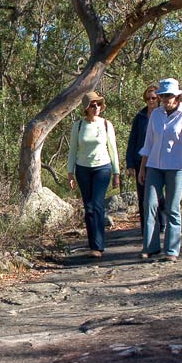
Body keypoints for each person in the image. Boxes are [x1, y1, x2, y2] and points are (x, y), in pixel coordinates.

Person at [138, 78, 182, 262]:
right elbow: (148, 143)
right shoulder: (156, 115)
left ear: (177, 97)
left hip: (176, 167)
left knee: (172, 208)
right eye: (163, 96)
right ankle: (150, 247)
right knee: (149, 205)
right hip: (154, 166)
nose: (165, 99)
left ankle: (172, 250)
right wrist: (142, 168)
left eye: (169, 96)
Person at [67, 91, 121, 258]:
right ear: (86, 108)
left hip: (102, 168)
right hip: (83, 169)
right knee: (88, 207)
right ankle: (93, 244)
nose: (96, 107)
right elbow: (73, 151)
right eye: (92, 105)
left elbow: (113, 149)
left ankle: (98, 246)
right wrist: (70, 173)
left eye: (98, 104)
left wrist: (116, 173)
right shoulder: (78, 126)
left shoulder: (106, 124)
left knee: (97, 205)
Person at [126, 86, 166, 235]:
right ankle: (146, 229)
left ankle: (162, 223)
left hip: (160, 160)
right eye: (148, 98)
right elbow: (133, 140)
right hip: (140, 161)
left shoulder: (164, 115)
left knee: (159, 195)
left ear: (159, 99)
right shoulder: (140, 117)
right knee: (143, 196)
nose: (151, 101)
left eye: (154, 98)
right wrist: (130, 163)